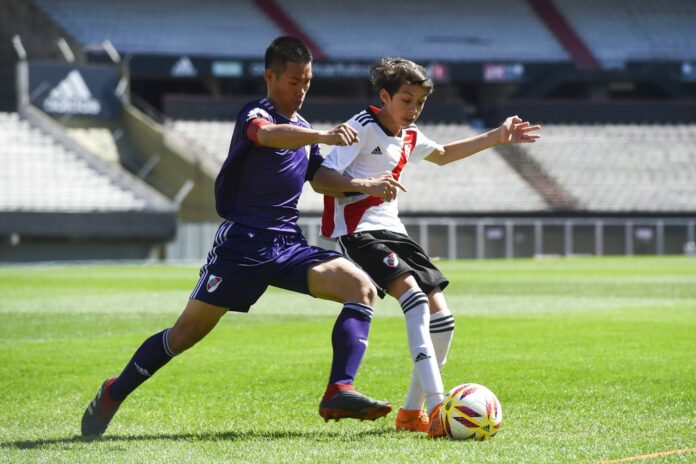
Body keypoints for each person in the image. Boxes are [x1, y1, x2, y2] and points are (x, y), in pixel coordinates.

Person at [80, 37, 406, 437]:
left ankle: (339, 389)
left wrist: (366, 184)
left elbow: (321, 179)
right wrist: (323, 136)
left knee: (361, 288)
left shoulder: (303, 130)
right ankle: (116, 390)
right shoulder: (256, 114)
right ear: (270, 76)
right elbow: (267, 136)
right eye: (292, 81)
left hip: (286, 244)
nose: (301, 90)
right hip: (243, 244)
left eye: (307, 81)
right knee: (184, 335)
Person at [312, 58, 541, 437]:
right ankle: (438, 409)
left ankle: (410, 413)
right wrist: (366, 186)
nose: (413, 110)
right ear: (384, 96)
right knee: (415, 302)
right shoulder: (361, 127)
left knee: (444, 319)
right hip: (358, 232)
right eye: (406, 100)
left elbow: (444, 154)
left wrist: (496, 137)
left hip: (396, 233)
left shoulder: (409, 135)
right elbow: (320, 179)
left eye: (419, 102)